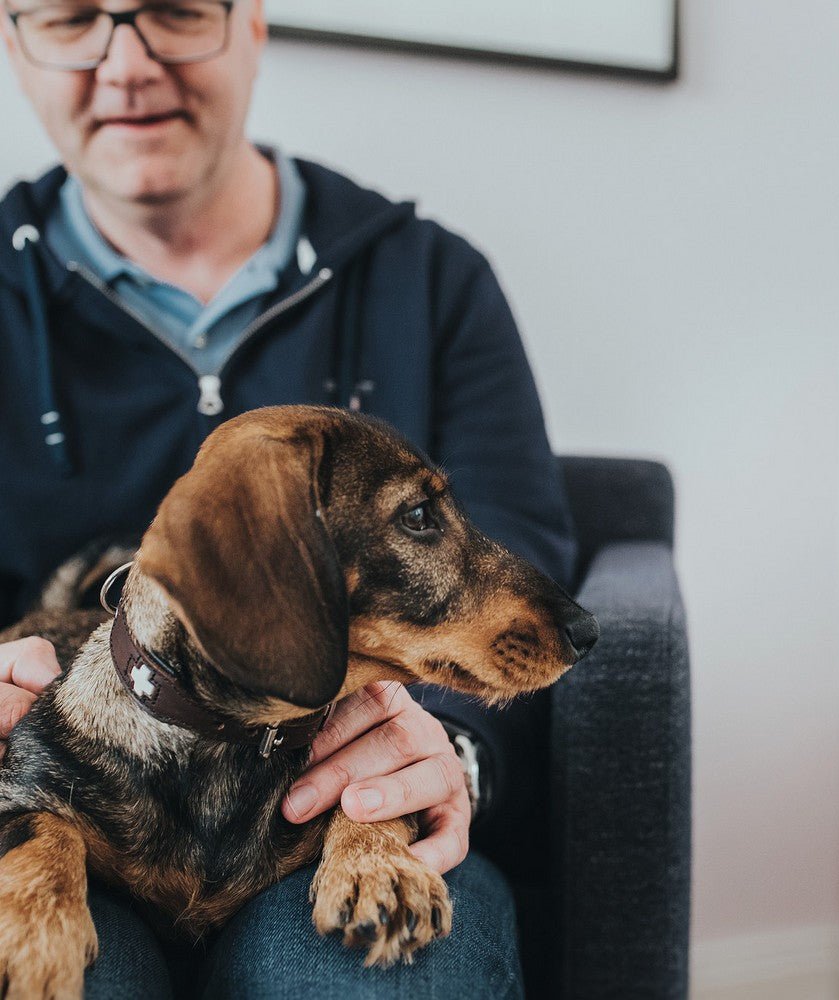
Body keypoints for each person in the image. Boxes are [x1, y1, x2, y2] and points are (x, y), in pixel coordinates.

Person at [0, 0, 576, 996]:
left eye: (175, 11)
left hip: (342, 797)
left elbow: (513, 548)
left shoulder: (430, 281)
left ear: (254, 23)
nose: (125, 62)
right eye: (69, 17)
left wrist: (440, 758)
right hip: (64, 800)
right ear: (14, 40)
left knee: (389, 977)